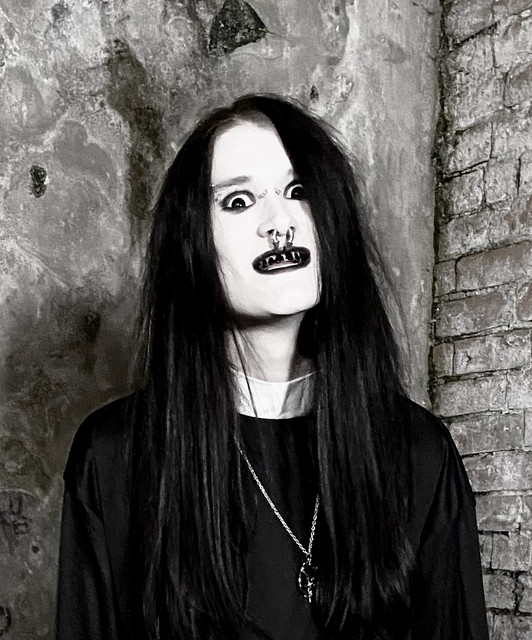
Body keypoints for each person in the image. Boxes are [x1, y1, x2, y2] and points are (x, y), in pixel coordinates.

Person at [56, 94, 489, 640]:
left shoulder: (419, 452)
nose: (279, 223)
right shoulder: (115, 457)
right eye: (239, 201)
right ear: (191, 244)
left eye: (298, 191)